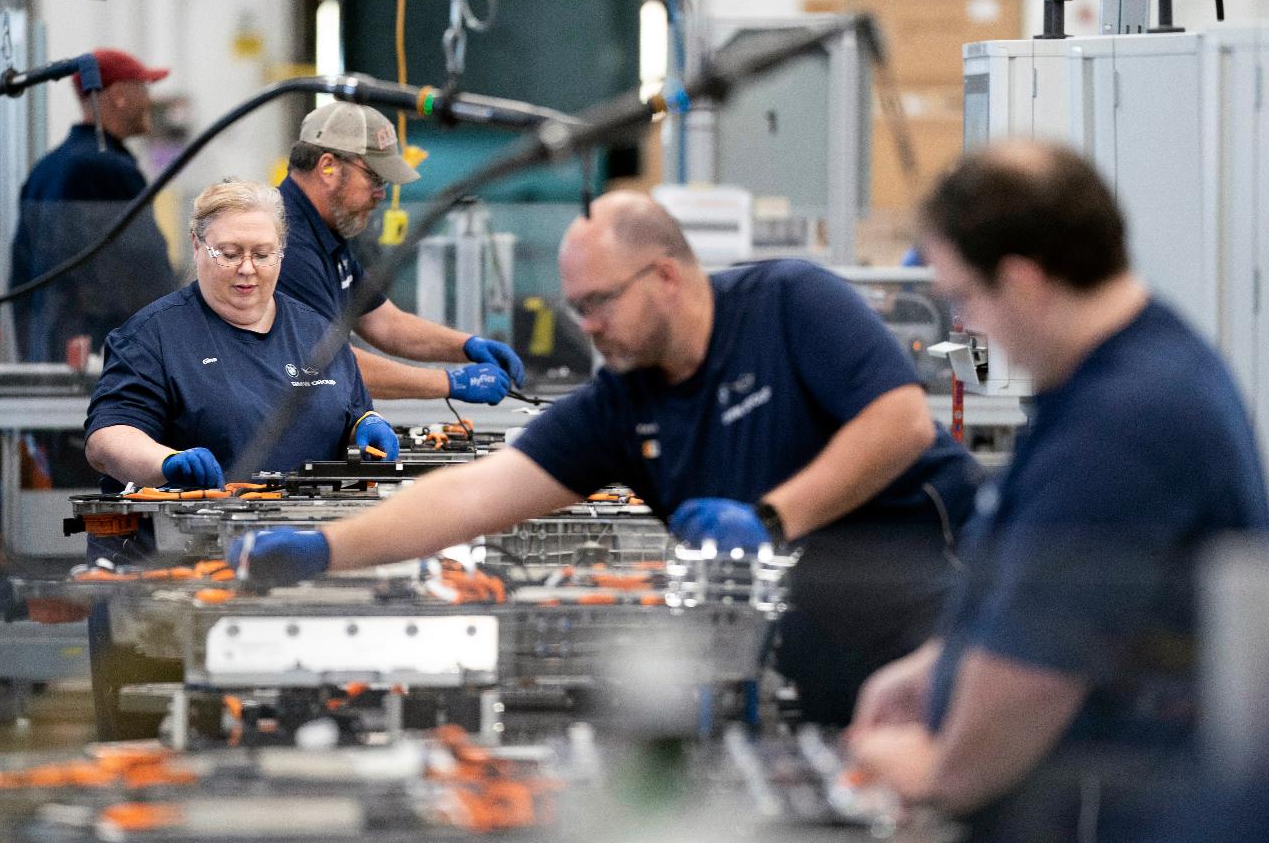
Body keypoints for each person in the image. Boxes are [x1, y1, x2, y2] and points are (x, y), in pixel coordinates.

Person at [233, 190, 981, 724]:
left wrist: (772, 516)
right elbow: (471, 496)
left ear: (663, 275)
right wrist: (325, 547)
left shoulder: (788, 302)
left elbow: (899, 423)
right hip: (815, 639)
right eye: (576, 308)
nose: (588, 327)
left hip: (941, 605)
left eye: (600, 302)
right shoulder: (622, 405)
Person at [846, 143, 1269, 841]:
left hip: (1125, 811)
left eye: (963, 299)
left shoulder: (1125, 422)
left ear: (1021, 282)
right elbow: (1036, 582)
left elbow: (1035, 671)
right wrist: (939, 664)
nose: (966, 328)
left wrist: (934, 767)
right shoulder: (1113, 377)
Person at [81, 179, 396, 738]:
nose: (246, 269)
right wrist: (165, 463)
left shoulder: (318, 334)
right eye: (228, 254)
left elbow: (351, 413)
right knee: (164, 763)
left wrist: (367, 427)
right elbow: (108, 439)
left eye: (262, 254)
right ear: (198, 247)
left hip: (291, 583)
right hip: (170, 594)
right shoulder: (155, 335)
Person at [277, 101, 526, 406]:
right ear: (328, 167)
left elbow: (385, 323)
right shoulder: (286, 244)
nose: (381, 194)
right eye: (375, 178)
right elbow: (326, 366)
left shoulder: (325, 229)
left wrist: (468, 346)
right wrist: (449, 382)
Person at [10, 47, 177, 364]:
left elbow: (21, 274)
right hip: (102, 360)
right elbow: (147, 277)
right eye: (143, 88)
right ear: (118, 96)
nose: (149, 101)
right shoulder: (109, 169)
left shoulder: (45, 169)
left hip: (46, 353)